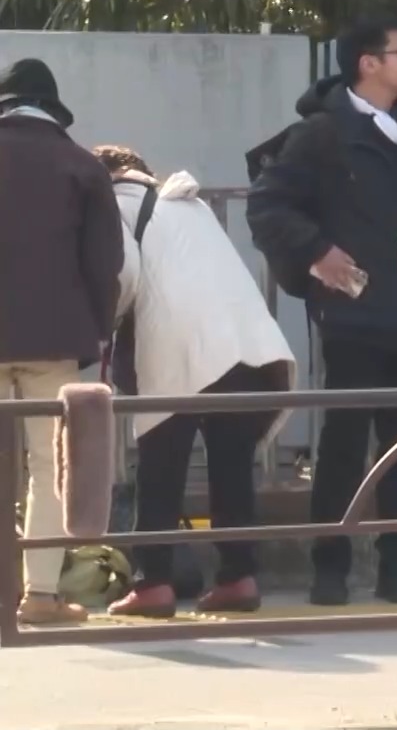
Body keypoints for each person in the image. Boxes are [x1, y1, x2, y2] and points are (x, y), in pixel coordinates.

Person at [245, 20, 397, 607]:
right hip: (354, 315)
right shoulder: (322, 134)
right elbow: (268, 206)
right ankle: (331, 566)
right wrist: (316, 252)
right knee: (344, 446)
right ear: (368, 63)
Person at [93, 146, 295, 619]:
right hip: (247, 345)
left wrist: (101, 323)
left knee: (160, 467)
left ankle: (153, 584)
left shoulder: (115, 205)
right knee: (232, 466)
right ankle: (238, 577)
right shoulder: (189, 204)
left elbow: (122, 275)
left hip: (179, 347)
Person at [0, 58, 123, 626]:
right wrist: (97, 332)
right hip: (53, 342)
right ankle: (41, 595)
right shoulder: (82, 166)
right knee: (50, 470)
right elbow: (105, 264)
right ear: (52, 109)